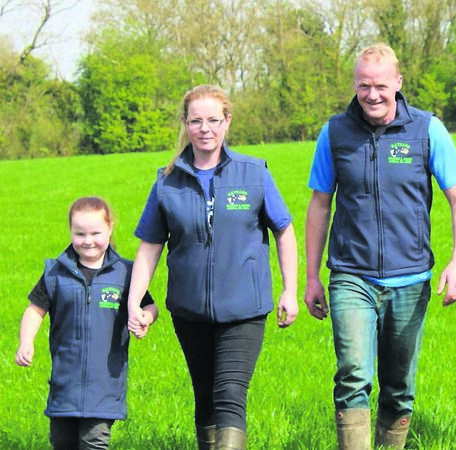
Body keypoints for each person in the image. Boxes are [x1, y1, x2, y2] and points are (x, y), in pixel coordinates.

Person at [304, 43, 456, 450]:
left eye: (381, 85)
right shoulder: (335, 132)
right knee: (353, 374)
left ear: (398, 83)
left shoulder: (427, 129)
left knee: (398, 387)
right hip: (351, 274)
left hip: (411, 278)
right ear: (354, 85)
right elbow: (319, 204)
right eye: (364, 85)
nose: (373, 94)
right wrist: (311, 277)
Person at [126, 84, 298, 450]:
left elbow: (284, 230)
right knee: (205, 398)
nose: (205, 129)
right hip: (189, 311)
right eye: (196, 121)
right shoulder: (167, 181)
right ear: (185, 124)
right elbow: (150, 246)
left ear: (227, 122)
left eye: (213, 120)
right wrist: (135, 301)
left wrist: (290, 290)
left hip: (244, 309)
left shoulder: (253, 173)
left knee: (230, 394)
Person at [15, 196, 159, 450]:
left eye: (95, 232)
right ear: (70, 231)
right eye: (79, 233)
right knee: (62, 442)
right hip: (64, 383)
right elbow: (34, 310)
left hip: (104, 384)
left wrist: (145, 318)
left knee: (94, 442)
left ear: (110, 228)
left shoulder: (125, 273)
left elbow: (149, 305)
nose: (88, 240)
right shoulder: (55, 273)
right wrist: (26, 342)